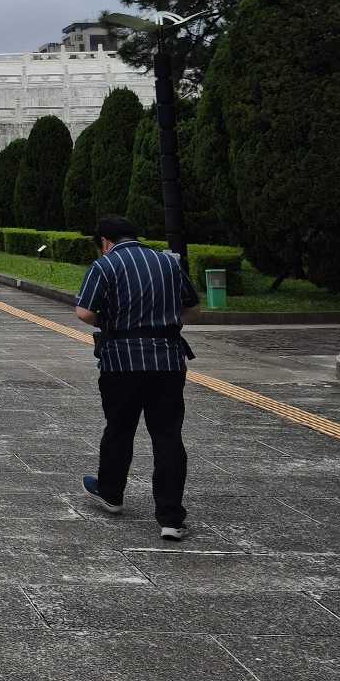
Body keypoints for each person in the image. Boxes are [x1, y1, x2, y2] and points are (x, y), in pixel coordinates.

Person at [74, 214, 199, 542]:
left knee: (119, 427)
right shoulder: (168, 262)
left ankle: (111, 493)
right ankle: (171, 518)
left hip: (121, 361)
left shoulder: (106, 265)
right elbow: (193, 307)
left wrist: (114, 322)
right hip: (168, 360)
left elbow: (84, 312)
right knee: (168, 434)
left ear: (104, 241)